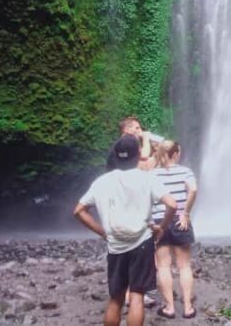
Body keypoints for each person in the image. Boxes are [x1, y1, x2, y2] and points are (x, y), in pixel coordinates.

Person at [74, 135, 177, 326]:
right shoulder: (147, 179)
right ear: (139, 155)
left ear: (116, 156)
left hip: (115, 247)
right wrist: (161, 227)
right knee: (137, 296)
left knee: (116, 299)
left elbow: (79, 211)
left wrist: (103, 232)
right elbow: (172, 204)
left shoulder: (102, 182)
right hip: (142, 244)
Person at [151, 140, 198, 319]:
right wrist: (185, 212)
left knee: (163, 266)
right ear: (176, 153)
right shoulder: (185, 171)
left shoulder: (152, 174)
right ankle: (187, 307)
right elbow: (193, 190)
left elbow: (147, 198)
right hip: (180, 220)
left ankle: (169, 307)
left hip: (159, 221)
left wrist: (150, 222)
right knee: (184, 265)